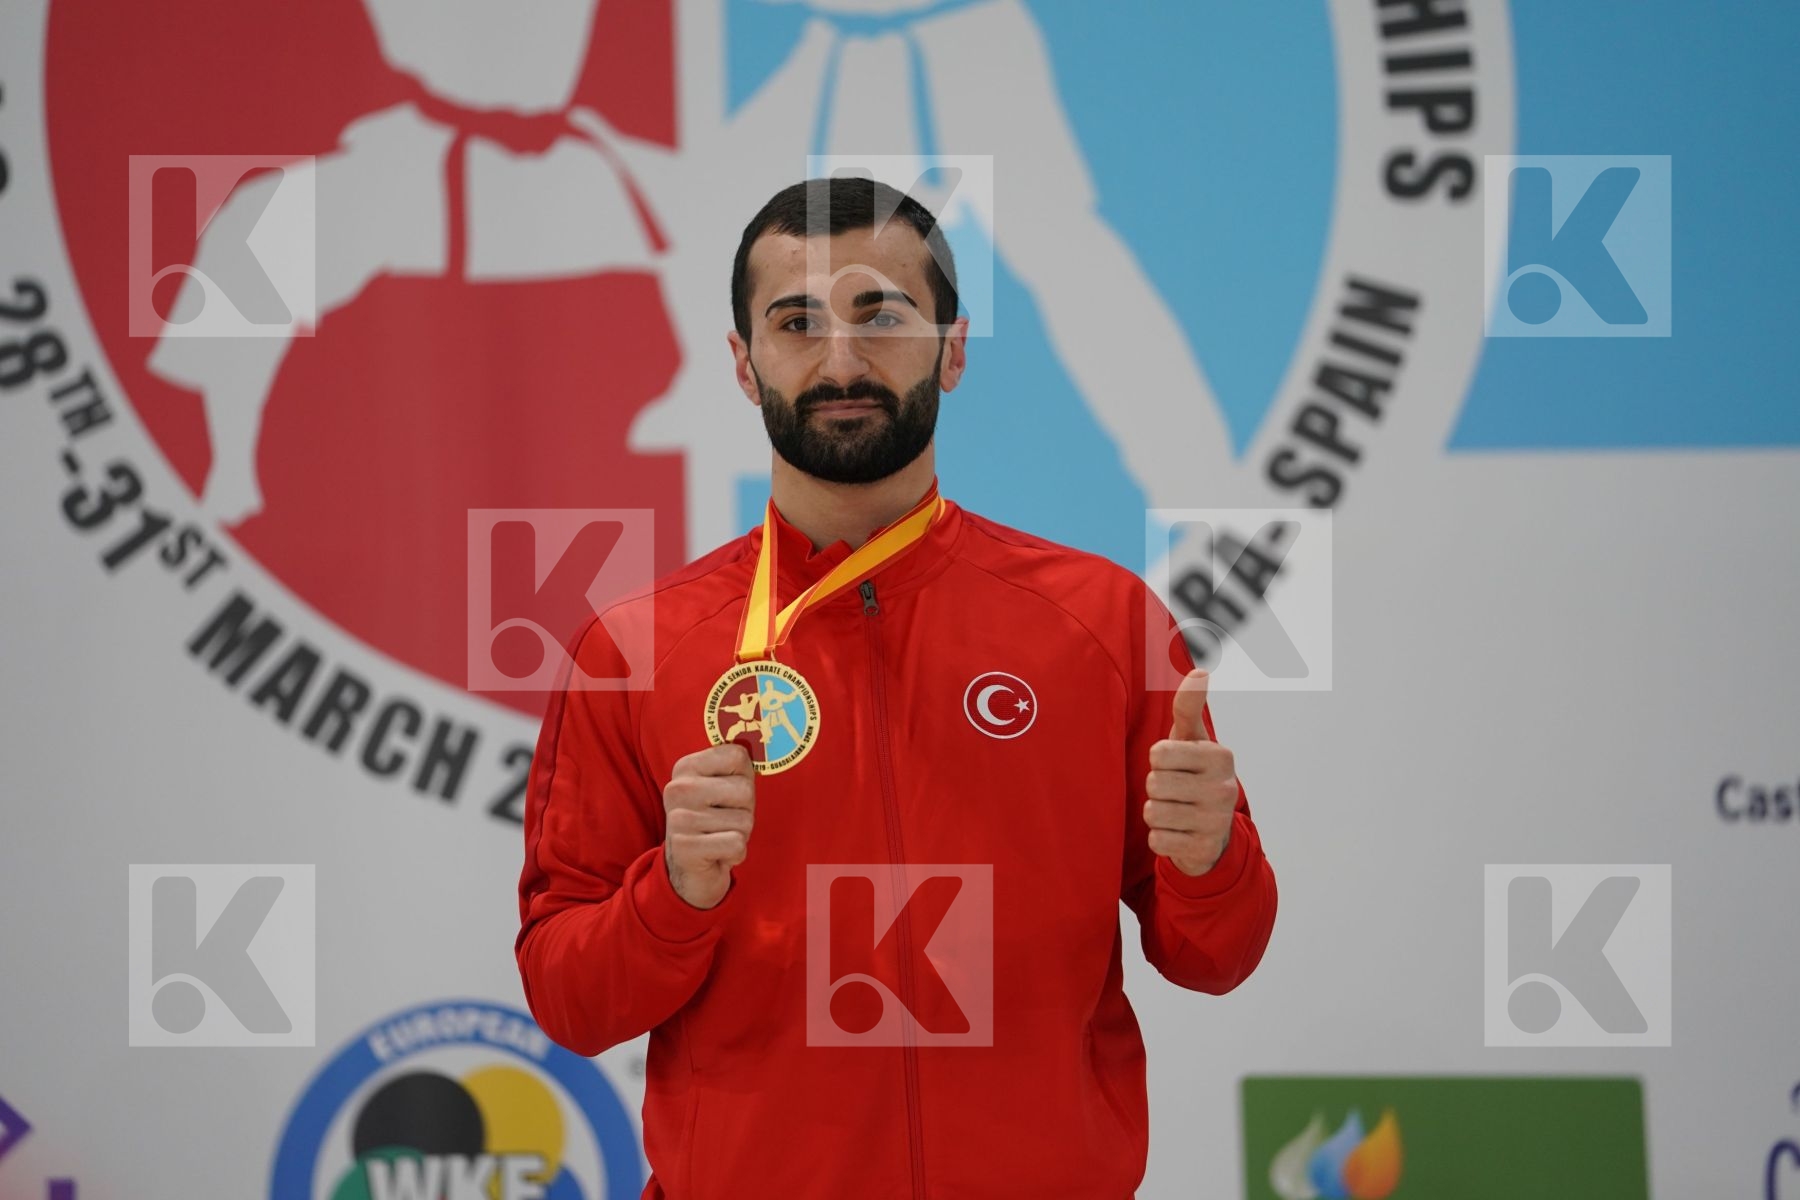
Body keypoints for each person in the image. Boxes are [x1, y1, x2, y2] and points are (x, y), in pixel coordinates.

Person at [516, 176, 1276, 1199]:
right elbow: (571, 1000)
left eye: (881, 316)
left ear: (953, 348)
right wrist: (676, 894)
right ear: (743, 365)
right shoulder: (636, 649)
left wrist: (1211, 857)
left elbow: (1217, 957)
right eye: (796, 323)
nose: (840, 360)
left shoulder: (1102, 623)